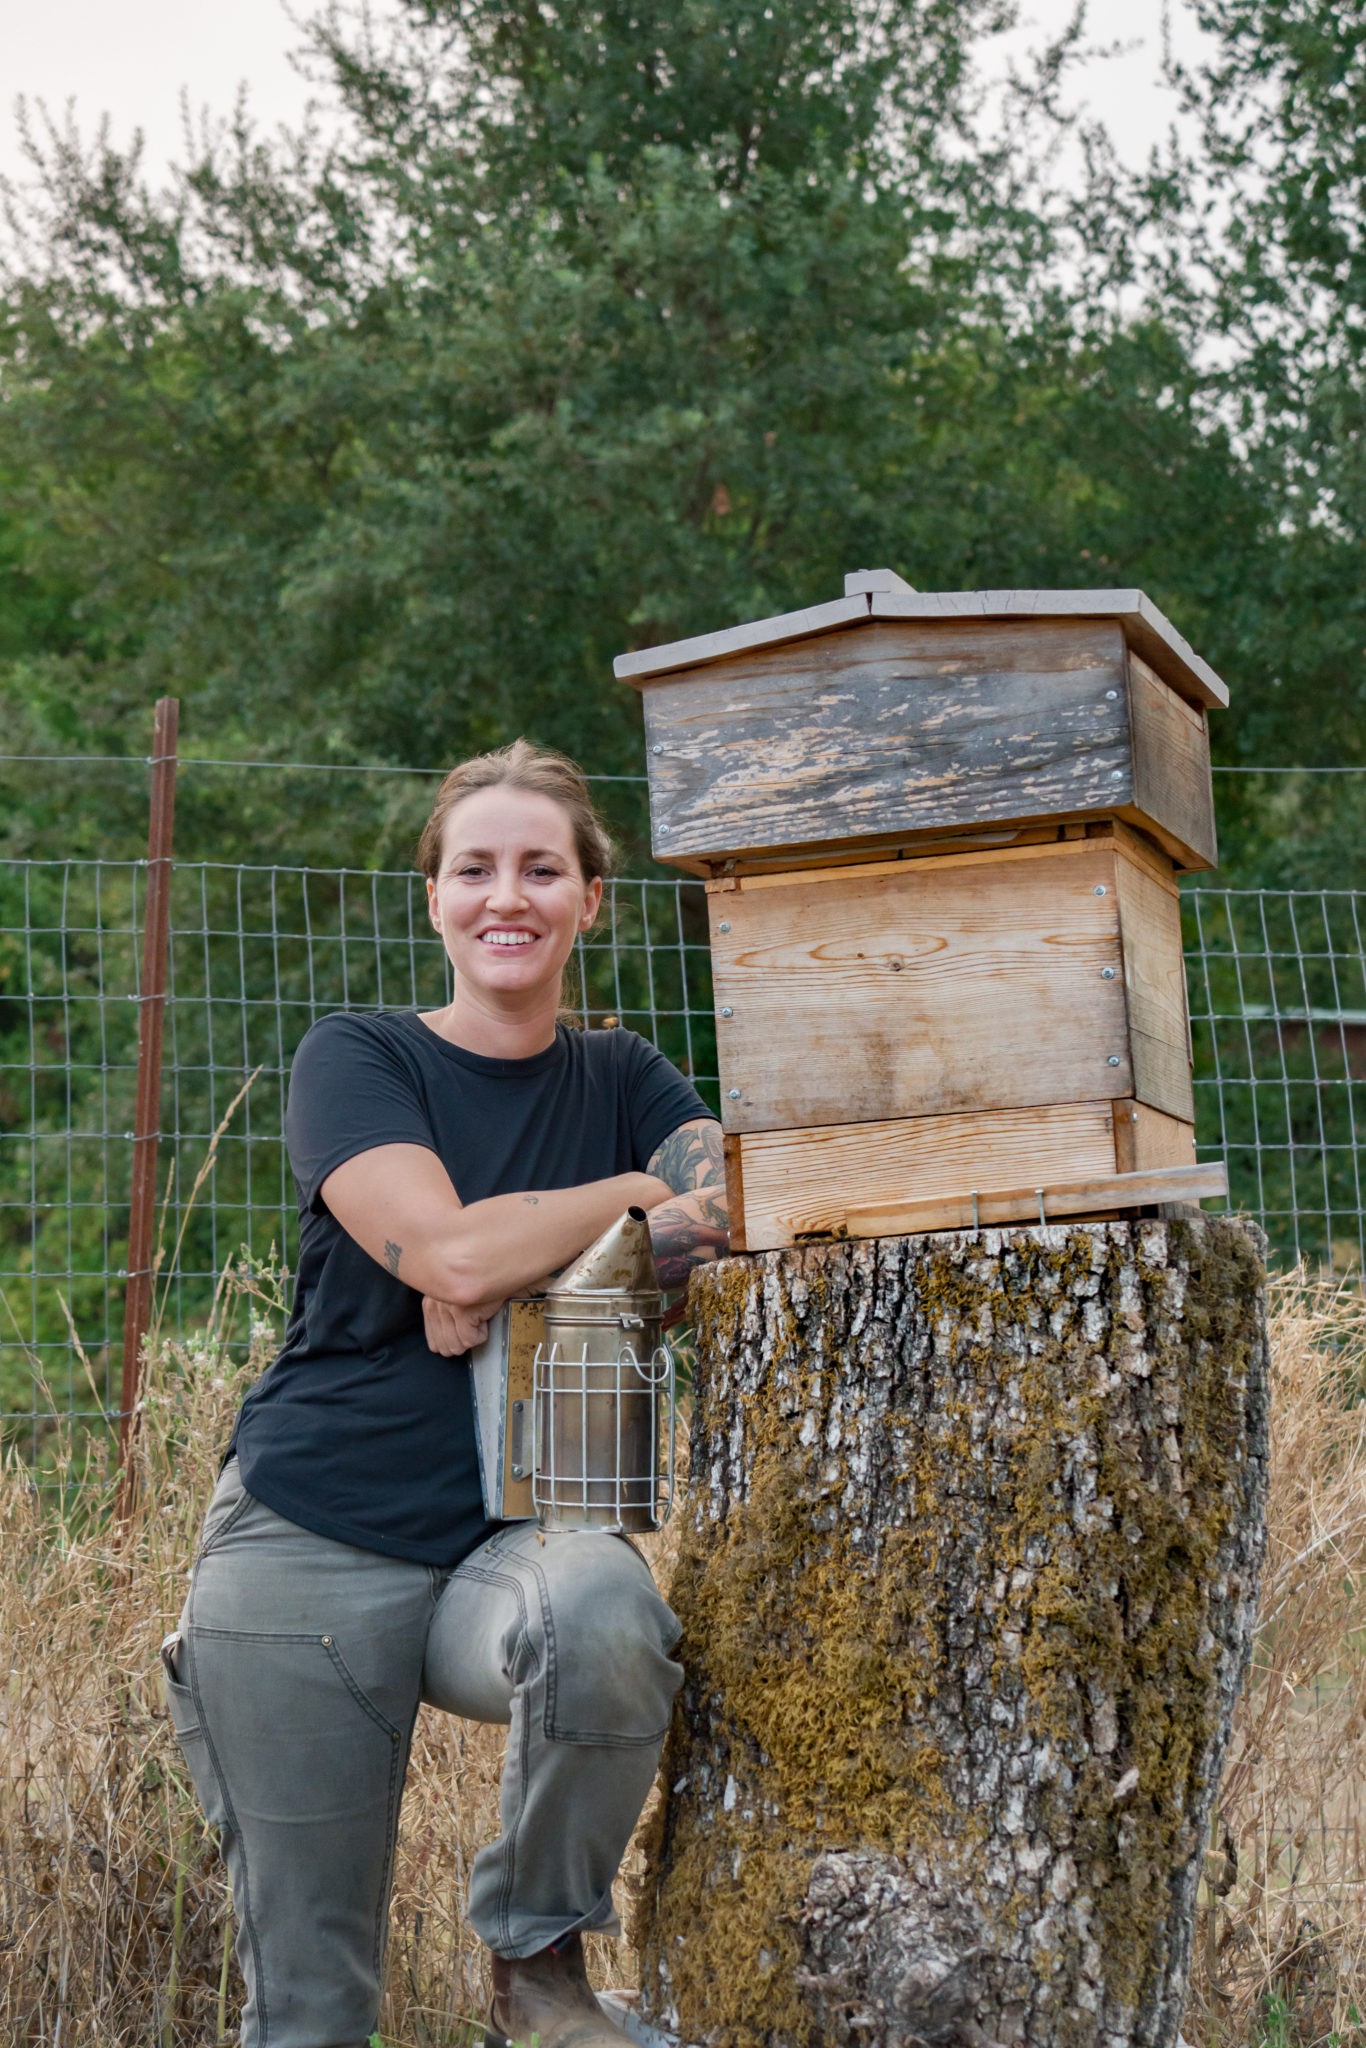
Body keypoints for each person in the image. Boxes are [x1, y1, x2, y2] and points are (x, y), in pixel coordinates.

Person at [161, 740, 727, 2048]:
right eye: (473, 869)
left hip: (514, 1538)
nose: (505, 896)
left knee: (607, 1615)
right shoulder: (357, 1057)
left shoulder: (626, 1079)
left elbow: (730, 1207)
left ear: (591, 896)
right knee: (311, 2010)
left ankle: (535, 1962)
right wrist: (621, 1204)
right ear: (434, 898)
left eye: (541, 868)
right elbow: (456, 1255)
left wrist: (537, 1235)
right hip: (307, 1543)